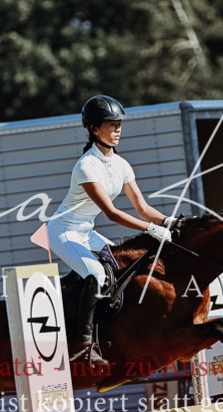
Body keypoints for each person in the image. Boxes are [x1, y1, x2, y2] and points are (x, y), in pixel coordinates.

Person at [47, 95, 174, 367]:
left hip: (86, 230)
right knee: (95, 273)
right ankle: (83, 345)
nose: (118, 130)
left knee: (119, 267)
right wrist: (151, 229)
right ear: (94, 129)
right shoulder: (86, 165)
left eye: (119, 125)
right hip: (64, 231)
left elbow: (142, 207)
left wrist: (169, 221)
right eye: (112, 125)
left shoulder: (121, 165)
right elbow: (112, 213)